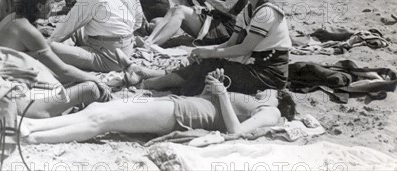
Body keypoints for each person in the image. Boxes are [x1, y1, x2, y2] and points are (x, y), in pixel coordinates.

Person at [126, 0, 291, 96]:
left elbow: (243, 48)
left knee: (210, 67)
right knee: (203, 61)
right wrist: (203, 50)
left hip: (268, 75)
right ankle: (152, 77)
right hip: (251, 64)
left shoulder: (267, 12)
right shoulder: (248, 9)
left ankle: (150, 83)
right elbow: (230, 43)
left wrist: (210, 53)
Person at [20, 69, 296, 144]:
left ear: (281, 100)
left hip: (178, 114)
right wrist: (213, 86)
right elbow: (207, 103)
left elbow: (235, 131)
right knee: (97, 110)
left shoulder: (270, 112)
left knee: (103, 121)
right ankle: (32, 124)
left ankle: (35, 138)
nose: (262, 91)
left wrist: (222, 93)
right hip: (177, 104)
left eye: (269, 91)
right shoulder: (259, 102)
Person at [0, 0, 111, 118]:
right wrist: (96, 80)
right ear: (40, 6)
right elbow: (63, 70)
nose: (53, 6)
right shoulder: (26, 30)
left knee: (73, 82)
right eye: (51, 2)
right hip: (13, 105)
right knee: (91, 89)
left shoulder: (11, 19)